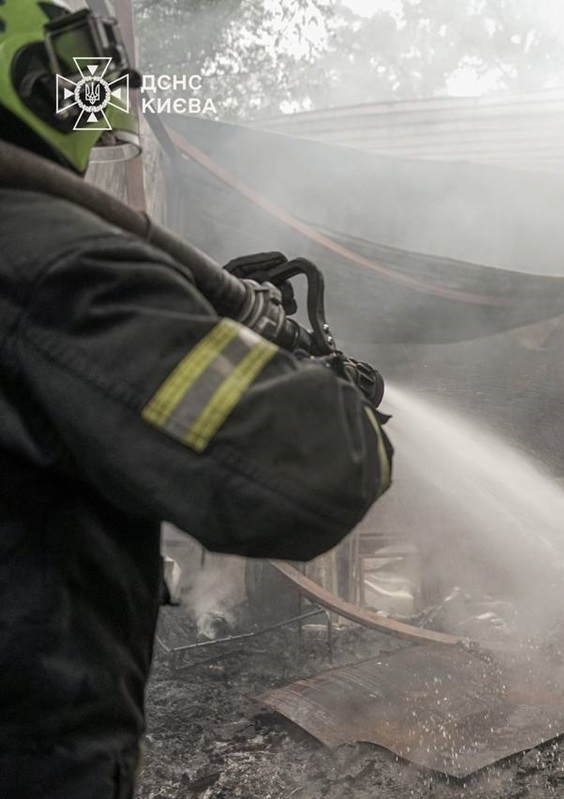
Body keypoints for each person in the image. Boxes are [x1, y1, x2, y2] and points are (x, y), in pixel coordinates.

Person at [0, 3, 394, 797]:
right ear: (30, 73)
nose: (98, 77)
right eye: (79, 51)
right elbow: (312, 473)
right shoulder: (55, 260)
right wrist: (340, 395)